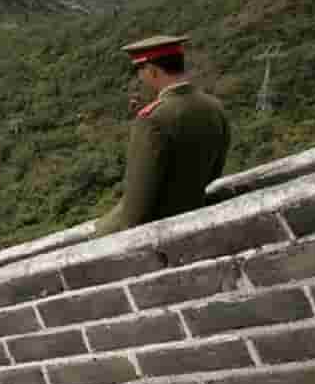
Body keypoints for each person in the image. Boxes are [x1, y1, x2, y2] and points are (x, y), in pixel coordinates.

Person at [96, 35, 230, 236]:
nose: (140, 77)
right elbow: (214, 172)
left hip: (157, 228)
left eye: (139, 70)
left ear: (152, 70)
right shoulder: (214, 106)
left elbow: (136, 204)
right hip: (193, 212)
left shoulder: (152, 119)